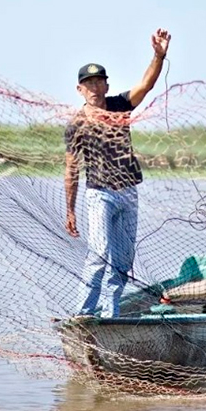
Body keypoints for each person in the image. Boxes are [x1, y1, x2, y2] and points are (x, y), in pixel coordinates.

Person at [64, 28, 171, 317]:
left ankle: (110, 317)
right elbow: (71, 168)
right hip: (99, 194)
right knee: (99, 254)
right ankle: (84, 315)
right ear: (80, 90)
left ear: (107, 86)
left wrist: (158, 56)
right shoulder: (76, 123)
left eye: (99, 82)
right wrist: (70, 210)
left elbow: (146, 85)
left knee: (123, 261)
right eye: (89, 84)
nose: (95, 88)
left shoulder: (119, 106)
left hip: (128, 193)